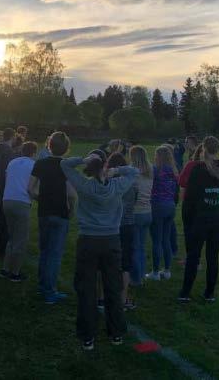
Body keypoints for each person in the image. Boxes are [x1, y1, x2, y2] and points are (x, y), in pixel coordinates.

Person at [61, 152, 139, 351]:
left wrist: (82, 159)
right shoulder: (117, 186)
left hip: (88, 240)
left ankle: (88, 337)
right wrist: (115, 170)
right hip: (111, 241)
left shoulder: (85, 185)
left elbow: (64, 165)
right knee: (113, 288)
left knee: (86, 289)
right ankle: (116, 334)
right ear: (104, 167)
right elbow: (134, 171)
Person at [178, 137, 219, 303]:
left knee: (193, 257)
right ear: (218, 150)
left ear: (203, 150)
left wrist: (188, 222)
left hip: (200, 220)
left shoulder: (199, 170)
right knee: (212, 257)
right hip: (218, 219)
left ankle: (185, 293)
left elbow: (189, 200)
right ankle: (209, 294)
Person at [28, 131, 77, 305]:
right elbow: (71, 193)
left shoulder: (40, 163)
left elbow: (30, 188)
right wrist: (71, 210)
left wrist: (39, 198)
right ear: (66, 149)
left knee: (44, 251)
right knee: (55, 255)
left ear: (49, 145)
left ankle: (43, 285)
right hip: (60, 213)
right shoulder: (66, 166)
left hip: (44, 212)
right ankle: (50, 292)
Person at [0, 141, 38, 282]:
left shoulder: (12, 162)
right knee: (20, 239)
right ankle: (15, 273)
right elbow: (32, 187)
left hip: (7, 200)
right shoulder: (34, 165)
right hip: (21, 201)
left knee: (12, 236)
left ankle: (5, 268)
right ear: (34, 153)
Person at [107, 153, 137, 311]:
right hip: (127, 224)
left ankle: (102, 298)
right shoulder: (131, 182)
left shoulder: (107, 182)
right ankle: (122, 299)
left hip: (111, 226)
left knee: (108, 262)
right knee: (125, 264)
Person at [146, 146, 178, 281]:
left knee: (156, 241)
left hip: (157, 206)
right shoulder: (174, 171)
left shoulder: (155, 170)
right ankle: (167, 270)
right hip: (170, 206)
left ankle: (155, 272)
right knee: (166, 239)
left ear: (159, 156)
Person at [129, 146, 153, 286]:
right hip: (147, 212)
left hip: (136, 213)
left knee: (134, 248)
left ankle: (136, 279)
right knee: (142, 247)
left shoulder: (132, 172)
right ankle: (142, 275)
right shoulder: (150, 170)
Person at [0, 128, 16, 255]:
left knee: (2, 217)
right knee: (5, 219)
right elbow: (8, 172)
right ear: (12, 137)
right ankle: (2, 247)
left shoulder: (0, 149)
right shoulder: (8, 151)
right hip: (4, 187)